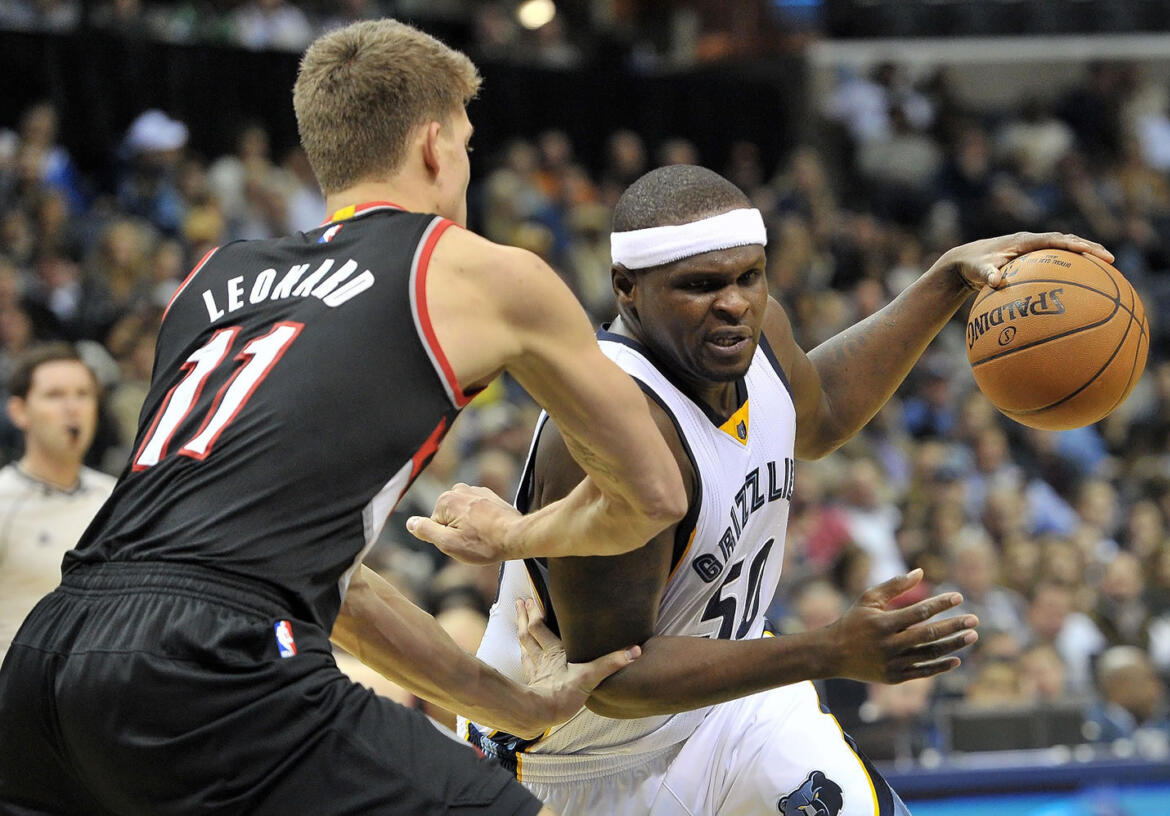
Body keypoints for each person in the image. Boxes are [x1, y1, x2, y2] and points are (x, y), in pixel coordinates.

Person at [0, 19, 690, 816]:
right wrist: (516, 536)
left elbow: (335, 593)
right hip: (214, 663)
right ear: (434, 146)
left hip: (49, 657)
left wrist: (512, 706)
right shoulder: (477, 270)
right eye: (467, 146)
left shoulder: (211, 281)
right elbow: (654, 495)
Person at [467, 164, 1117, 815]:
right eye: (700, 285)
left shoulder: (757, 332)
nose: (735, 303)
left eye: (749, 276)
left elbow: (822, 411)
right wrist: (829, 649)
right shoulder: (606, 428)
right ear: (627, 288)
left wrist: (946, 279)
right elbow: (613, 676)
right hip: (577, 760)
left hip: (737, 706)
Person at [0, 343, 115, 659]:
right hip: (17, 702)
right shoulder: (4, 502)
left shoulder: (117, 499)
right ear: (19, 412)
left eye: (83, 394)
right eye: (55, 395)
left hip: (95, 698)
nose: (72, 407)